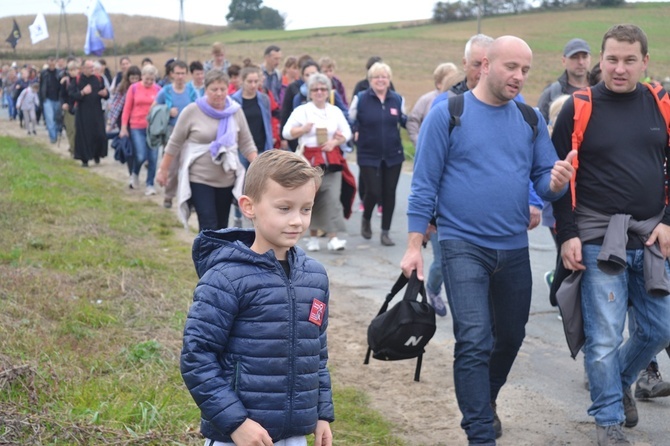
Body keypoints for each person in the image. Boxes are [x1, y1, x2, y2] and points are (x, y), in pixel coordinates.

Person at [401, 36, 575, 445]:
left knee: (511, 336)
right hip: (461, 244)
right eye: (511, 67)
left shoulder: (530, 118)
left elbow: (543, 182)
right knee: (475, 337)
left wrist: (554, 183)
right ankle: (480, 433)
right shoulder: (449, 114)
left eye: (526, 70)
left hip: (513, 248)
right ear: (484, 64)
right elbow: (423, 185)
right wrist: (414, 245)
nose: (519, 76)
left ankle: (485, 399)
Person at [551, 24, 670, 446]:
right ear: (600, 60)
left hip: (651, 237)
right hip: (598, 237)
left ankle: (618, 381)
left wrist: (667, 220)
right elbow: (558, 180)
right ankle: (608, 422)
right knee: (603, 337)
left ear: (644, 62)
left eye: (629, 60)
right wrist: (567, 235)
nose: (619, 69)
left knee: (661, 328)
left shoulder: (662, 104)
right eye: (612, 59)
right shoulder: (578, 108)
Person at [180, 149, 333, 446]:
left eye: (305, 209)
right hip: (238, 435)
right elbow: (197, 356)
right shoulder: (225, 278)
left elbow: (317, 354)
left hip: (294, 434)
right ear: (249, 207)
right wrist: (235, 422)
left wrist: (321, 413)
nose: (297, 221)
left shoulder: (315, 277)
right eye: (284, 208)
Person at [156, 69, 257, 231]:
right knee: (208, 224)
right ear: (205, 90)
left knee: (222, 226)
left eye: (223, 89)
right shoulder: (192, 111)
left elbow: (247, 144)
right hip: (200, 178)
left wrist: (260, 168)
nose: (219, 93)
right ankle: (205, 256)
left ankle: (217, 257)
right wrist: (163, 169)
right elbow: (174, 142)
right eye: (214, 89)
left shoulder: (235, 111)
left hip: (226, 178)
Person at [405, 62, 464, 317]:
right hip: (440, 213)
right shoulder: (437, 111)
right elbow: (425, 182)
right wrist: (426, 220)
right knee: (442, 261)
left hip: (464, 215)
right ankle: (433, 288)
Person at [283, 72, 352, 252]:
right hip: (309, 161)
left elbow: (347, 132)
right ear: (310, 92)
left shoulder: (334, 111)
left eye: (323, 89)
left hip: (331, 160)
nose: (319, 92)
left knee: (332, 197)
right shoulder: (302, 111)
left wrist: (335, 142)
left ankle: (333, 237)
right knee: (310, 199)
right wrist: (303, 129)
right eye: (315, 89)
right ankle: (312, 238)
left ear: (328, 91)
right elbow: (286, 132)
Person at [349, 62, 407, 247]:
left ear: (389, 80)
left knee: (389, 193)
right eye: (377, 77)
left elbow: (405, 120)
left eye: (384, 77)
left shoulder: (397, 99)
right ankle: (366, 218)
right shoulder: (361, 98)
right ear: (370, 80)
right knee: (373, 191)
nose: (381, 80)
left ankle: (385, 232)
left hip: (393, 154)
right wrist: (354, 130)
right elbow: (350, 120)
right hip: (368, 153)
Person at [153, 60, 198, 209]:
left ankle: (189, 200)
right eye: (177, 73)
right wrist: (167, 110)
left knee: (190, 167)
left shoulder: (192, 92)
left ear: (186, 74)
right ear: (172, 74)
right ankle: (168, 196)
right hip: (172, 133)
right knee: (172, 167)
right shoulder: (165, 91)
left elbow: (200, 109)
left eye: (182, 73)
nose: (180, 76)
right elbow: (153, 110)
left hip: (190, 134)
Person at [120, 64, 162, 193]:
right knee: (141, 155)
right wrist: (123, 127)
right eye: (146, 79)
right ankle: (135, 173)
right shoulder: (133, 88)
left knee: (153, 157)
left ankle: (150, 184)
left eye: (152, 79)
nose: (149, 82)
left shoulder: (159, 90)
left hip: (153, 128)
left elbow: (163, 108)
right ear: (142, 76)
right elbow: (127, 108)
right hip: (136, 126)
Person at [536, 38, 592, 122]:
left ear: (590, 59)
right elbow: (539, 126)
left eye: (584, 57)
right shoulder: (552, 93)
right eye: (574, 57)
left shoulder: (600, 89)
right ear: (563, 61)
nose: (581, 62)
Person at [70, 59, 109, 167]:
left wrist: (105, 94)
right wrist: (82, 92)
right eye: (89, 68)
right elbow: (72, 94)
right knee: (84, 136)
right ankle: (85, 159)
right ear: (83, 69)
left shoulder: (98, 79)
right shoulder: (77, 80)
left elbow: (106, 93)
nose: (92, 70)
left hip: (96, 111)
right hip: (83, 112)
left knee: (99, 134)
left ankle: (97, 154)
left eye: (93, 67)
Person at [39, 56, 63, 144]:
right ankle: (53, 137)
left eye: (53, 61)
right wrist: (41, 98)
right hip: (47, 99)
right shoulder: (44, 73)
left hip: (58, 98)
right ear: (47, 62)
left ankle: (56, 132)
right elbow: (41, 86)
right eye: (50, 61)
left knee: (57, 118)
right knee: (49, 119)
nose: (52, 63)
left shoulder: (60, 73)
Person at [60, 61, 80, 156]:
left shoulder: (81, 81)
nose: (73, 72)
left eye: (75, 69)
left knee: (77, 130)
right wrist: (63, 103)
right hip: (69, 108)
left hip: (79, 108)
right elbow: (62, 95)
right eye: (71, 70)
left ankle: (76, 148)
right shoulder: (66, 82)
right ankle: (73, 148)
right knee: (70, 129)